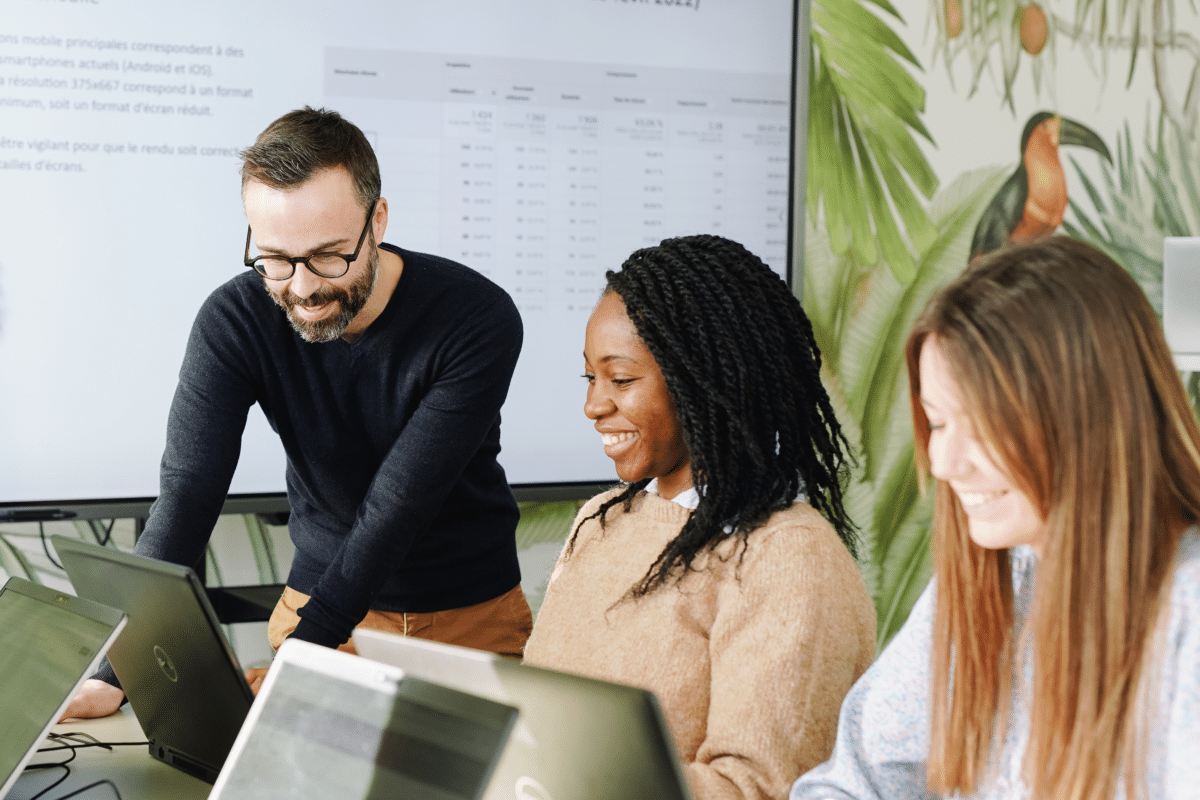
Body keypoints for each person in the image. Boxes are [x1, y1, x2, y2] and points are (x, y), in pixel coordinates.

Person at [66, 107, 531, 717]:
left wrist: (304, 654)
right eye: (276, 259)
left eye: (329, 256)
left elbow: (396, 508)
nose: (304, 287)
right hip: (317, 601)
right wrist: (113, 669)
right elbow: (188, 492)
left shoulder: (475, 318)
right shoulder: (235, 319)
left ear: (378, 220)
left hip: (469, 617)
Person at [791, 236, 1200, 800]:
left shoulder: (1187, 612)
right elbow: (854, 779)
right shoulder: (999, 576)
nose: (942, 462)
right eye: (937, 423)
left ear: (1086, 418)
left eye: (982, 424)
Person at [522, 235, 877, 800]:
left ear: (701, 381)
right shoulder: (601, 522)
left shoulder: (788, 557)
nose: (594, 404)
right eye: (590, 377)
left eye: (622, 378)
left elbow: (758, 789)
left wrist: (581, 781)